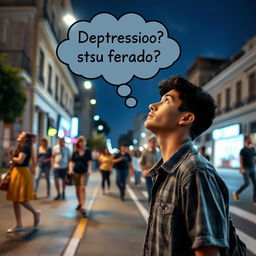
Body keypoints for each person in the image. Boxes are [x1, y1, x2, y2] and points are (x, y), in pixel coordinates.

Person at [142, 75, 229, 256]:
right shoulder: (166, 170)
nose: (153, 105)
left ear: (186, 118)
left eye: (166, 101)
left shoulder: (194, 171)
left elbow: (208, 252)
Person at [6, 131, 41, 233]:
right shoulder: (21, 146)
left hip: (22, 173)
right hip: (17, 172)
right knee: (15, 199)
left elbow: (20, 160)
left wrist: (12, 157)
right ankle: (19, 224)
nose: (18, 135)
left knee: (21, 199)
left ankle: (35, 213)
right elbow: (18, 161)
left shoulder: (25, 147)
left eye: (21, 135)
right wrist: (12, 160)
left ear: (25, 139)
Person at [69, 136, 92, 217]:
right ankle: (80, 202)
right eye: (81, 141)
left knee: (82, 188)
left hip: (84, 172)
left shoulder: (88, 151)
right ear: (78, 143)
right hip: (76, 172)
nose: (82, 143)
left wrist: (89, 169)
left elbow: (89, 161)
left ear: (85, 142)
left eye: (84, 141)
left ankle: (83, 206)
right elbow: (71, 161)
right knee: (77, 189)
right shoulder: (75, 152)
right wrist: (70, 169)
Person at [233, 135, 256, 205]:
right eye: (249, 139)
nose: (251, 140)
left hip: (252, 168)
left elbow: (254, 158)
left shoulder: (252, 149)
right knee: (247, 183)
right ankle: (236, 192)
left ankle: (254, 200)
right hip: (246, 168)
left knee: (255, 184)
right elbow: (240, 159)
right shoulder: (242, 150)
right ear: (246, 140)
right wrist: (242, 168)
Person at [140, 135, 161, 203]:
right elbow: (141, 163)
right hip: (148, 175)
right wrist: (144, 170)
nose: (154, 144)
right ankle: (151, 205)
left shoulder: (159, 152)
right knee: (150, 191)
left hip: (158, 175)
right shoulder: (145, 152)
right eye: (153, 142)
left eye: (155, 142)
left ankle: (154, 206)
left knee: (157, 192)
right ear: (149, 142)